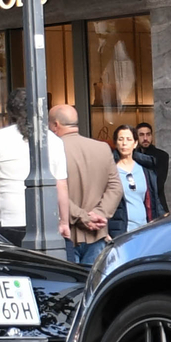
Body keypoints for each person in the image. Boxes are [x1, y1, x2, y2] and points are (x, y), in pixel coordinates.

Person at [0, 100, 61, 238]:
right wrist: (63, 221)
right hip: (47, 222)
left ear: (10, 113)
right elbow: (61, 185)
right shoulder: (53, 139)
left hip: (10, 220)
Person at [53, 103, 119, 266]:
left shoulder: (52, 150)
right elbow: (116, 187)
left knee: (68, 289)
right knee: (95, 288)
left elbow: (54, 190)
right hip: (97, 232)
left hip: (65, 234)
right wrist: (99, 214)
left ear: (56, 125)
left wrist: (83, 217)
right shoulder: (102, 148)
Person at [110, 125, 152, 243]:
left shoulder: (145, 170)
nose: (124, 143)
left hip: (144, 230)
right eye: (120, 139)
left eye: (128, 139)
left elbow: (153, 202)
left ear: (135, 143)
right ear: (116, 143)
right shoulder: (110, 170)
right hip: (120, 232)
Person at [132, 122, 169, 221]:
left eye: (148, 134)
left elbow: (158, 184)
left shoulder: (162, 156)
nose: (145, 138)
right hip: (137, 205)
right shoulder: (131, 156)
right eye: (141, 135)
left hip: (157, 205)